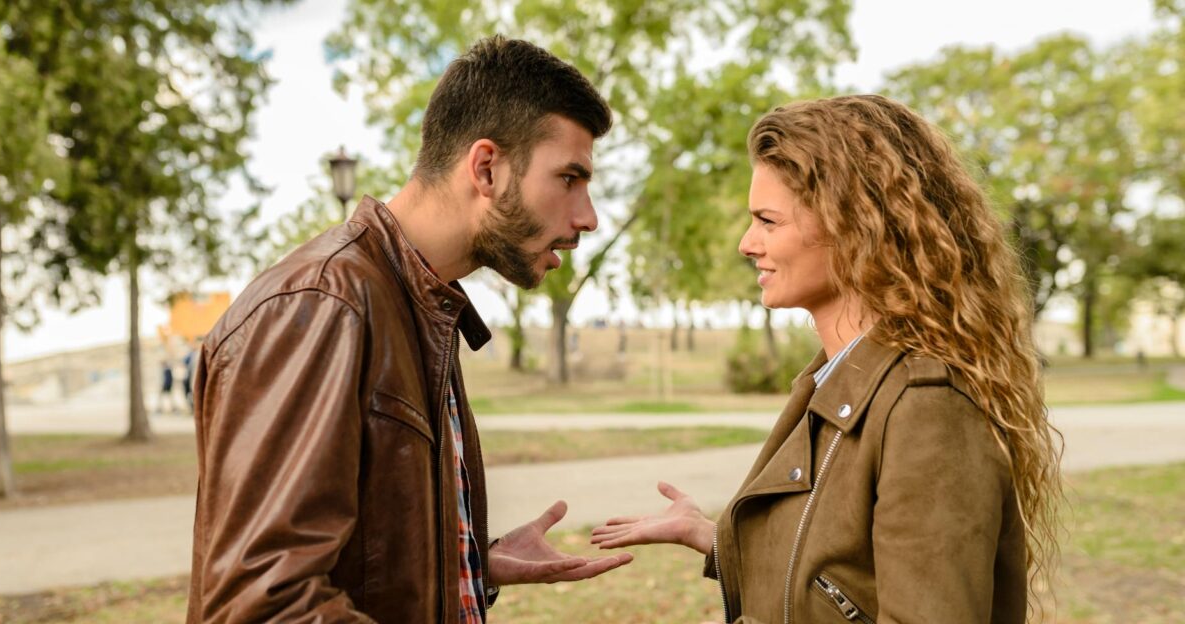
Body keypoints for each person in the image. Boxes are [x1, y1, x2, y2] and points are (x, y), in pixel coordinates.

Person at [188, 36, 632, 624]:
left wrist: (471, 564)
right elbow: (263, 605)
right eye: (569, 178)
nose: (588, 218)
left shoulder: (418, 304)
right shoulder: (324, 305)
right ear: (486, 168)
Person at [591, 95, 1062, 623]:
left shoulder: (927, 407)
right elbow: (838, 579)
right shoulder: (836, 379)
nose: (747, 244)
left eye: (768, 221)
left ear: (856, 227)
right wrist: (714, 539)